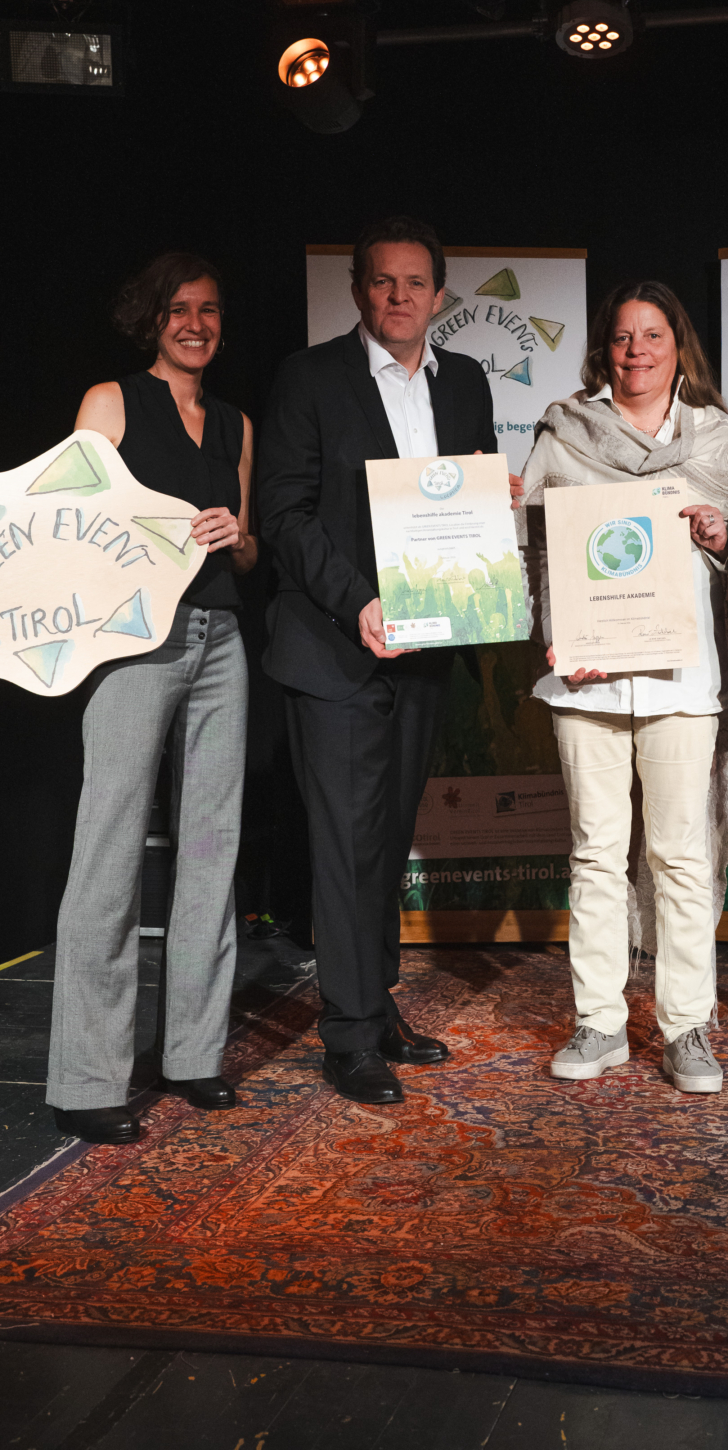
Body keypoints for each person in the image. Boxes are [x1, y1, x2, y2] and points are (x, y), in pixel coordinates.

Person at [257, 216, 516, 1106]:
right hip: (334, 647)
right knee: (344, 840)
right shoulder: (309, 378)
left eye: (415, 284)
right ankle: (349, 1037)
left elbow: (464, 498)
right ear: (358, 290)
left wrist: (494, 499)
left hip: (425, 646)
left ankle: (375, 1004)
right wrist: (360, 603)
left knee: (389, 837)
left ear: (440, 296)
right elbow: (285, 516)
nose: (398, 297)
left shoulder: (468, 381)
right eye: (381, 281)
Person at [48, 252, 256, 1143]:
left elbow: (247, 556)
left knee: (212, 850)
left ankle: (194, 1055)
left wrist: (238, 534)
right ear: (152, 319)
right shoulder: (111, 401)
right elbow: (62, 527)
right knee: (109, 849)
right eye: (179, 310)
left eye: (209, 310)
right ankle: (88, 1079)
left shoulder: (238, 424)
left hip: (221, 641)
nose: (196, 324)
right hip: (133, 644)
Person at [520, 281, 728, 1092]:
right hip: (585, 679)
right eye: (623, 337)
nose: (637, 351)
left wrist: (719, 532)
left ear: (677, 346)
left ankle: (687, 1028)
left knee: (682, 856)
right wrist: (552, 633)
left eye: (653, 336)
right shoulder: (563, 429)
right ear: (603, 348)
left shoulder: (716, 435)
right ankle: (600, 1023)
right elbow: (535, 547)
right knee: (595, 855)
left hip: (682, 677)